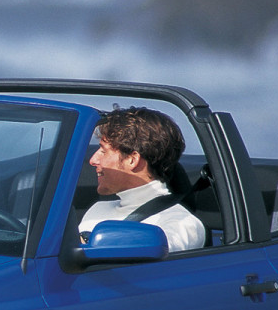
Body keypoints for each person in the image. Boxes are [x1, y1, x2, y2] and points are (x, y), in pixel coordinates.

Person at [79, 107, 205, 252]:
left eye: (103, 151)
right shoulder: (97, 209)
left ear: (132, 160)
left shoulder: (181, 223)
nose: (93, 160)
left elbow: (155, 259)